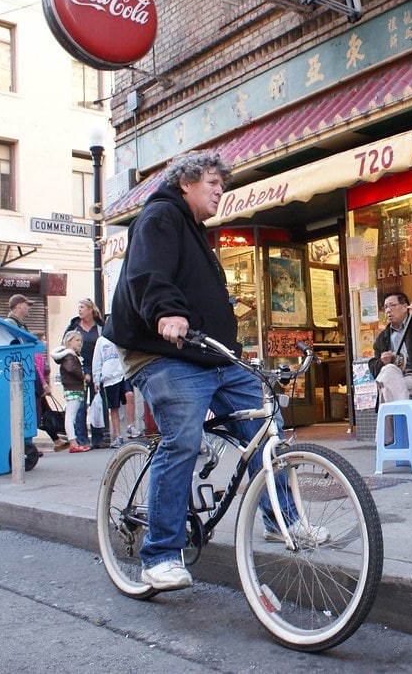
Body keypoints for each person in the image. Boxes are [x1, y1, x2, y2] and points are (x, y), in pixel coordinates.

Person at [105, 150, 325, 593]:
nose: (219, 191)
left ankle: (280, 520)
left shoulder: (194, 229)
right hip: (161, 351)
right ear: (185, 182)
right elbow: (148, 274)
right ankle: (161, 555)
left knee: (267, 427)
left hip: (210, 353)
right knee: (183, 438)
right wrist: (166, 312)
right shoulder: (160, 217)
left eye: (221, 184)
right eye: (211, 182)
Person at [4, 293, 42, 469]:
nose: (29, 308)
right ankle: (24, 447)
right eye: (27, 304)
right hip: (19, 373)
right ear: (19, 305)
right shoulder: (11, 324)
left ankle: (27, 445)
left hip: (25, 373)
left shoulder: (19, 325)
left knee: (29, 409)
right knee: (24, 408)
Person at [63, 298, 105, 448]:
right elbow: (65, 344)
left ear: (90, 310)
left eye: (82, 307)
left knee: (97, 402)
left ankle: (98, 437)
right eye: (78, 307)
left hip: (97, 367)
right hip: (80, 367)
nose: (79, 310)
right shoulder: (74, 326)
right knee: (80, 404)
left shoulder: (100, 327)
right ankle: (82, 439)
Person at [51, 331, 90, 453]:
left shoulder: (70, 355)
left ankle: (74, 442)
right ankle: (73, 442)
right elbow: (71, 369)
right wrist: (84, 376)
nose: (80, 343)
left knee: (71, 415)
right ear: (69, 341)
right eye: (77, 340)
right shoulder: (69, 356)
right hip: (73, 388)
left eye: (80, 341)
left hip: (74, 387)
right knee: (70, 416)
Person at [92, 334, 128, 449]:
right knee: (114, 407)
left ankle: (131, 426)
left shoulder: (121, 333)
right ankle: (118, 435)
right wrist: (96, 380)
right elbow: (97, 361)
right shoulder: (101, 341)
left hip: (124, 373)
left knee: (129, 396)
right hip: (109, 378)